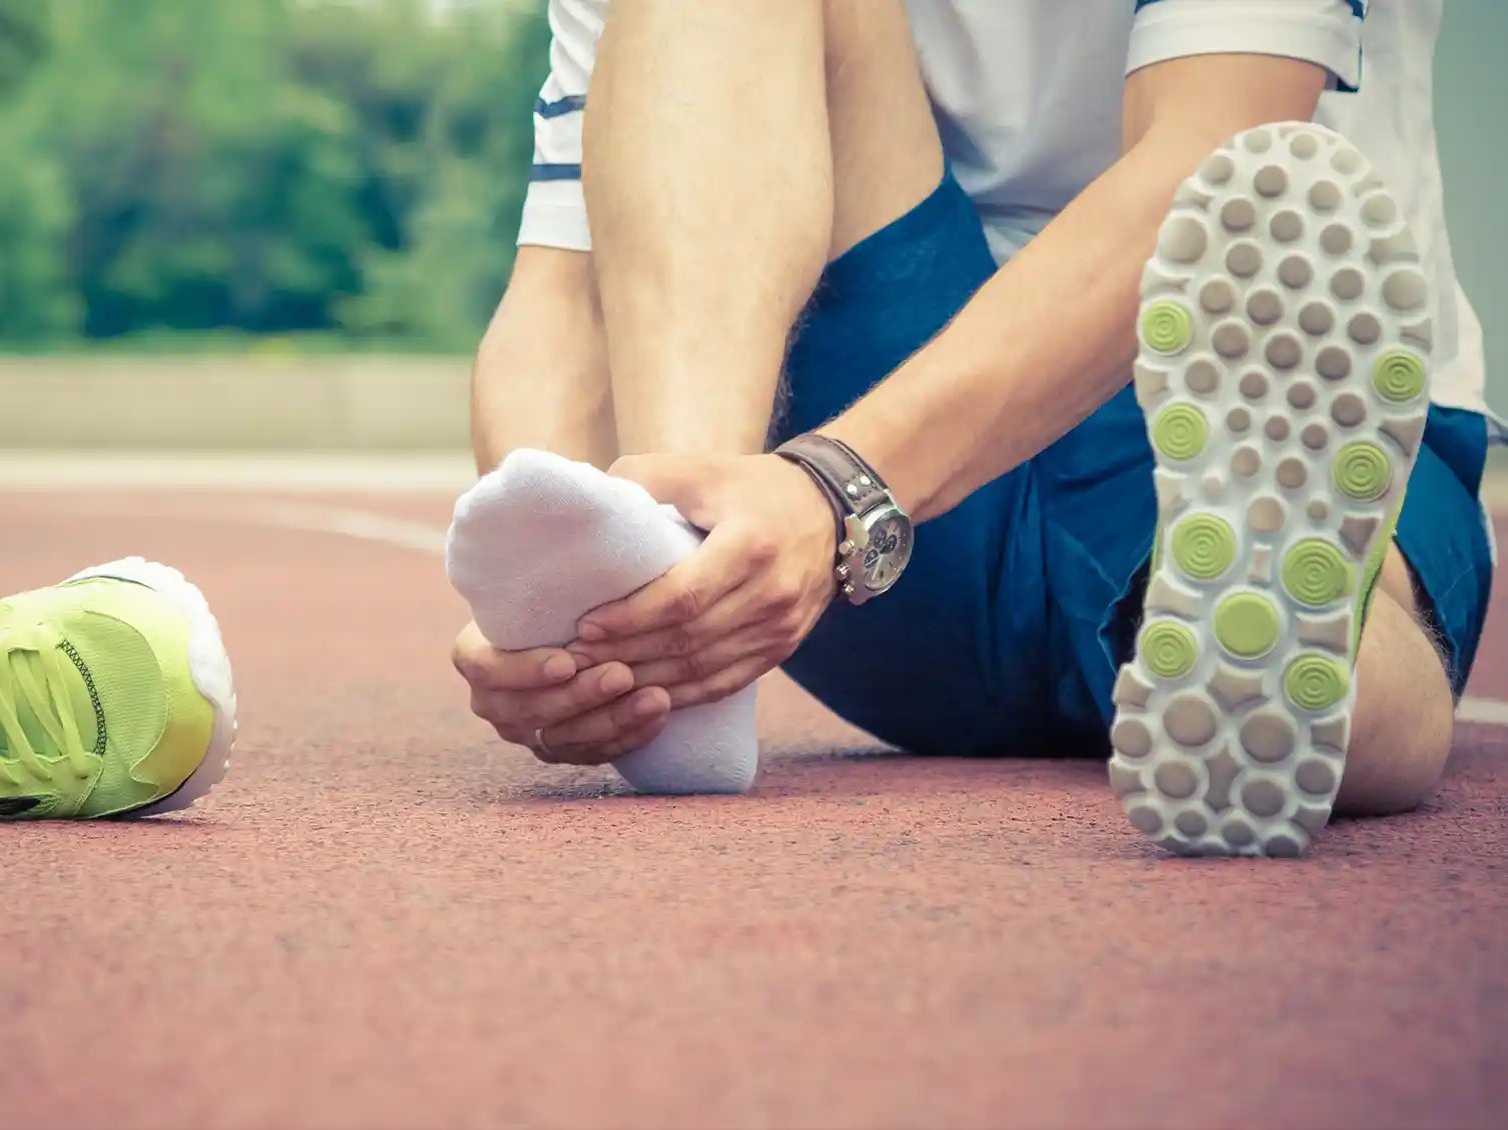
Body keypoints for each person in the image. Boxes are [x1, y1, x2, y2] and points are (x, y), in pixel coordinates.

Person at [446, 0, 1497, 856]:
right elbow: (564, 289)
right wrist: (563, 599)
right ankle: (685, 586)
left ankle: (1296, 663)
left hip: (1198, 384)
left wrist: (837, 483)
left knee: (1308, 587)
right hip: (831, 534)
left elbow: (1216, 160)